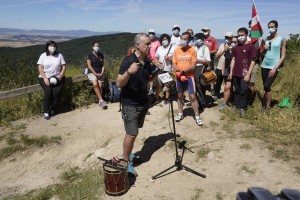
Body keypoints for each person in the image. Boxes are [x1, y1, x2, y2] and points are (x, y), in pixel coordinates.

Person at [116, 33, 159, 176]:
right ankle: (126, 161)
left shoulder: (146, 61)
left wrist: (158, 70)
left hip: (142, 101)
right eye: (147, 44)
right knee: (131, 133)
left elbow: (148, 79)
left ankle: (127, 154)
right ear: (137, 45)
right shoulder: (129, 61)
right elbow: (119, 83)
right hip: (130, 104)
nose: (150, 46)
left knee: (135, 131)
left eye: (150, 43)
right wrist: (129, 72)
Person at [172, 32, 203, 126]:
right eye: (183, 38)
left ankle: (197, 116)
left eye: (186, 39)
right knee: (180, 95)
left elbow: (193, 66)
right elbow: (174, 62)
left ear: (189, 40)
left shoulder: (192, 50)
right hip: (178, 76)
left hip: (189, 76)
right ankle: (180, 113)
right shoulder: (176, 50)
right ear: (180, 38)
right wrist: (177, 70)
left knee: (192, 96)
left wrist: (182, 71)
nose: (184, 40)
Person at [229, 27, 257, 116]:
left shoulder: (250, 46)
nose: (240, 37)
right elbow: (233, 59)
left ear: (246, 35)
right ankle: (236, 106)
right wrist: (231, 72)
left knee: (244, 90)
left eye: (242, 35)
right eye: (239, 35)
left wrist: (248, 74)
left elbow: (253, 61)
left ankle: (243, 107)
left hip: (245, 73)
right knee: (236, 90)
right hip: (235, 73)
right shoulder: (236, 47)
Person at [260, 20, 286, 111]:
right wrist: (264, 49)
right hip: (264, 65)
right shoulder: (265, 39)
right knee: (265, 87)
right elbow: (261, 54)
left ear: (276, 27)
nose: (270, 29)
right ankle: (265, 105)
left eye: (272, 27)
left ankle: (267, 107)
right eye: (269, 27)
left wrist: (275, 68)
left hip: (274, 66)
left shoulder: (282, 39)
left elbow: (283, 56)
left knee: (267, 85)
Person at [37, 40, 66, 120]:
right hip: (44, 77)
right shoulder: (43, 56)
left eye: (54, 46)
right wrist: (45, 78)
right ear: (47, 47)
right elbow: (40, 67)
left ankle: (53, 109)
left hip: (58, 77)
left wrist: (60, 76)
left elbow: (64, 66)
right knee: (48, 92)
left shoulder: (59, 55)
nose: (52, 47)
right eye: (50, 46)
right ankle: (46, 111)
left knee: (57, 94)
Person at [86, 42, 107, 109]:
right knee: (95, 84)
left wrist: (101, 72)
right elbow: (89, 66)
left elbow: (103, 65)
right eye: (95, 46)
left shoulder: (101, 55)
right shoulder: (89, 55)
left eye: (98, 46)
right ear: (92, 47)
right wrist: (95, 73)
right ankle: (101, 100)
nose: (97, 47)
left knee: (100, 86)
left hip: (100, 72)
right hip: (92, 72)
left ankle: (100, 101)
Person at [153, 34, 173, 104]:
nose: (164, 41)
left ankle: (167, 98)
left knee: (167, 85)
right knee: (159, 84)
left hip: (168, 69)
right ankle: (156, 98)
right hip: (160, 69)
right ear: (161, 41)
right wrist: (157, 62)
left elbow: (175, 58)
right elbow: (156, 57)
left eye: (166, 39)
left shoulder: (172, 48)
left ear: (168, 40)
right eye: (163, 39)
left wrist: (169, 58)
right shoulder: (159, 48)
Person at [219, 36, 238, 110]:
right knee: (227, 87)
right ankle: (224, 103)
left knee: (236, 88)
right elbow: (225, 59)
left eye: (235, 42)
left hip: (236, 71)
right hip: (227, 70)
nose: (233, 43)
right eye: (232, 42)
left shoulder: (239, 50)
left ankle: (233, 102)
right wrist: (223, 68)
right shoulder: (228, 50)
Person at [193, 33, 211, 111]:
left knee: (200, 86)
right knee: (195, 86)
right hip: (193, 67)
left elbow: (208, 61)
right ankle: (196, 101)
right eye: (196, 38)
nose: (197, 40)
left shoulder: (205, 48)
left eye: (198, 38)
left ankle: (201, 102)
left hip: (200, 67)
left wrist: (198, 60)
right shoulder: (193, 47)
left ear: (203, 40)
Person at [214, 32, 234, 101]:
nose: (227, 39)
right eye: (226, 37)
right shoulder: (222, 45)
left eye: (229, 38)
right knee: (217, 82)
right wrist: (224, 50)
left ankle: (229, 97)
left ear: (232, 38)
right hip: (219, 67)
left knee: (228, 84)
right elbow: (217, 56)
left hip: (227, 68)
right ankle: (216, 94)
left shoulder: (233, 46)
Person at [202, 26, 219, 96]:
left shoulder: (213, 39)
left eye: (206, 30)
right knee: (202, 73)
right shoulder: (201, 39)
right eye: (203, 30)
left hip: (210, 60)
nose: (204, 32)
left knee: (210, 74)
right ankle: (203, 88)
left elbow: (216, 50)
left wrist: (208, 52)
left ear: (209, 31)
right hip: (201, 60)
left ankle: (212, 89)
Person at [247, 20, 261, 105]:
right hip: (244, 63)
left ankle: (249, 101)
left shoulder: (259, 39)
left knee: (251, 83)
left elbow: (260, 52)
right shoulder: (246, 37)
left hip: (254, 63)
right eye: (250, 26)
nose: (251, 28)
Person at [147, 29, 161, 95]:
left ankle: (154, 89)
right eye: (150, 33)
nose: (151, 35)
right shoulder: (147, 41)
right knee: (149, 75)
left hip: (155, 61)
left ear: (154, 34)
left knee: (155, 74)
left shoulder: (157, 42)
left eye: (152, 33)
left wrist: (157, 60)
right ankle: (149, 89)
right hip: (148, 61)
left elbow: (159, 51)